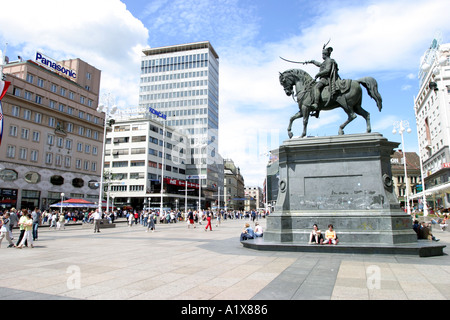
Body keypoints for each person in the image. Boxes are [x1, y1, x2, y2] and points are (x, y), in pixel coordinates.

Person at [308, 45, 340, 117]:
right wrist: (312, 61)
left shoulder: (328, 61)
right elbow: (320, 64)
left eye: (323, 54)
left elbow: (327, 70)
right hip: (323, 78)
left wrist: (319, 74)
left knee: (316, 87)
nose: (322, 55)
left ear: (326, 54)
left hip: (326, 79)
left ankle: (316, 104)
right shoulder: (325, 61)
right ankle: (317, 112)